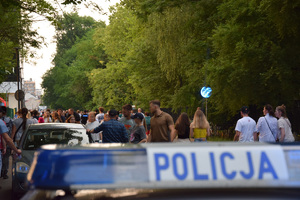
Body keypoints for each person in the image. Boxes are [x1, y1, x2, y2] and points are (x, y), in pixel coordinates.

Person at [0, 106, 13, 179]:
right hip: (6, 141)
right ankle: (4, 172)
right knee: (6, 159)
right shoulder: (10, 120)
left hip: (2, 142)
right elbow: (10, 131)